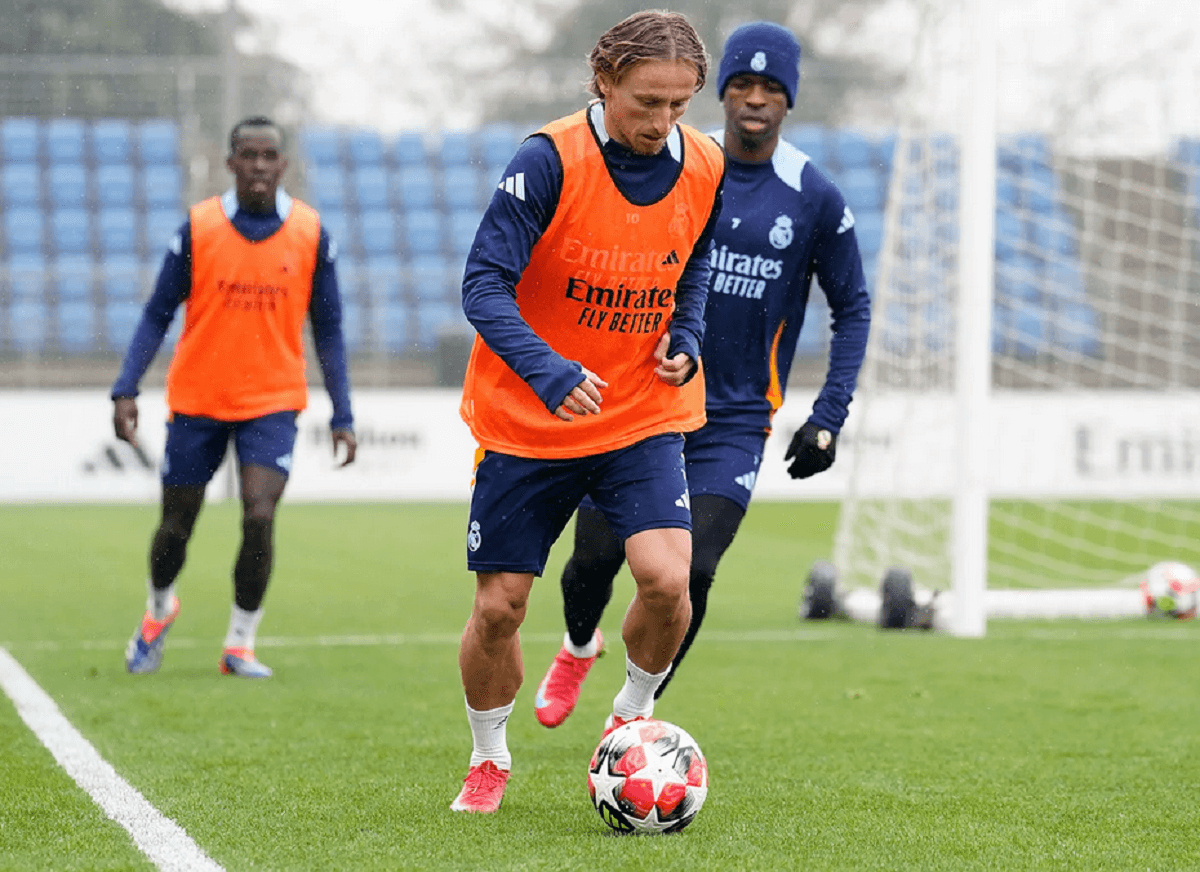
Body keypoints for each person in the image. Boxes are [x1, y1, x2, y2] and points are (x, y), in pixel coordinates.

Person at [533, 21, 872, 728]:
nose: (754, 98)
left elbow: (854, 308)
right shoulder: (682, 168)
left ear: (789, 100)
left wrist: (829, 416)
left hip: (735, 419)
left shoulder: (813, 196)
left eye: (770, 87)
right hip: (641, 403)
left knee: (694, 569)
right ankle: (576, 645)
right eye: (742, 84)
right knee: (591, 561)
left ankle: (633, 717)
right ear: (718, 94)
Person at [450, 10, 725, 813]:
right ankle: (490, 757)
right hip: (530, 420)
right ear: (604, 82)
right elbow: (481, 285)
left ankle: (632, 719)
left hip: (640, 409)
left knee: (669, 581)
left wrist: (690, 330)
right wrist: (546, 369)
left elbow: (696, 254)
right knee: (500, 608)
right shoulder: (547, 161)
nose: (662, 121)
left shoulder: (704, 164)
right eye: (646, 101)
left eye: (679, 105)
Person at [112, 116, 357, 679]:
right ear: (230, 163)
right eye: (249, 156)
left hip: (272, 401)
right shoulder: (198, 228)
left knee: (259, 514)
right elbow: (156, 312)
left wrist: (343, 412)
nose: (259, 166)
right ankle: (157, 611)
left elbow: (331, 328)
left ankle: (239, 643)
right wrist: (126, 387)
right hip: (198, 398)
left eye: (270, 156)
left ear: (283, 164)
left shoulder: (311, 232)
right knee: (176, 526)